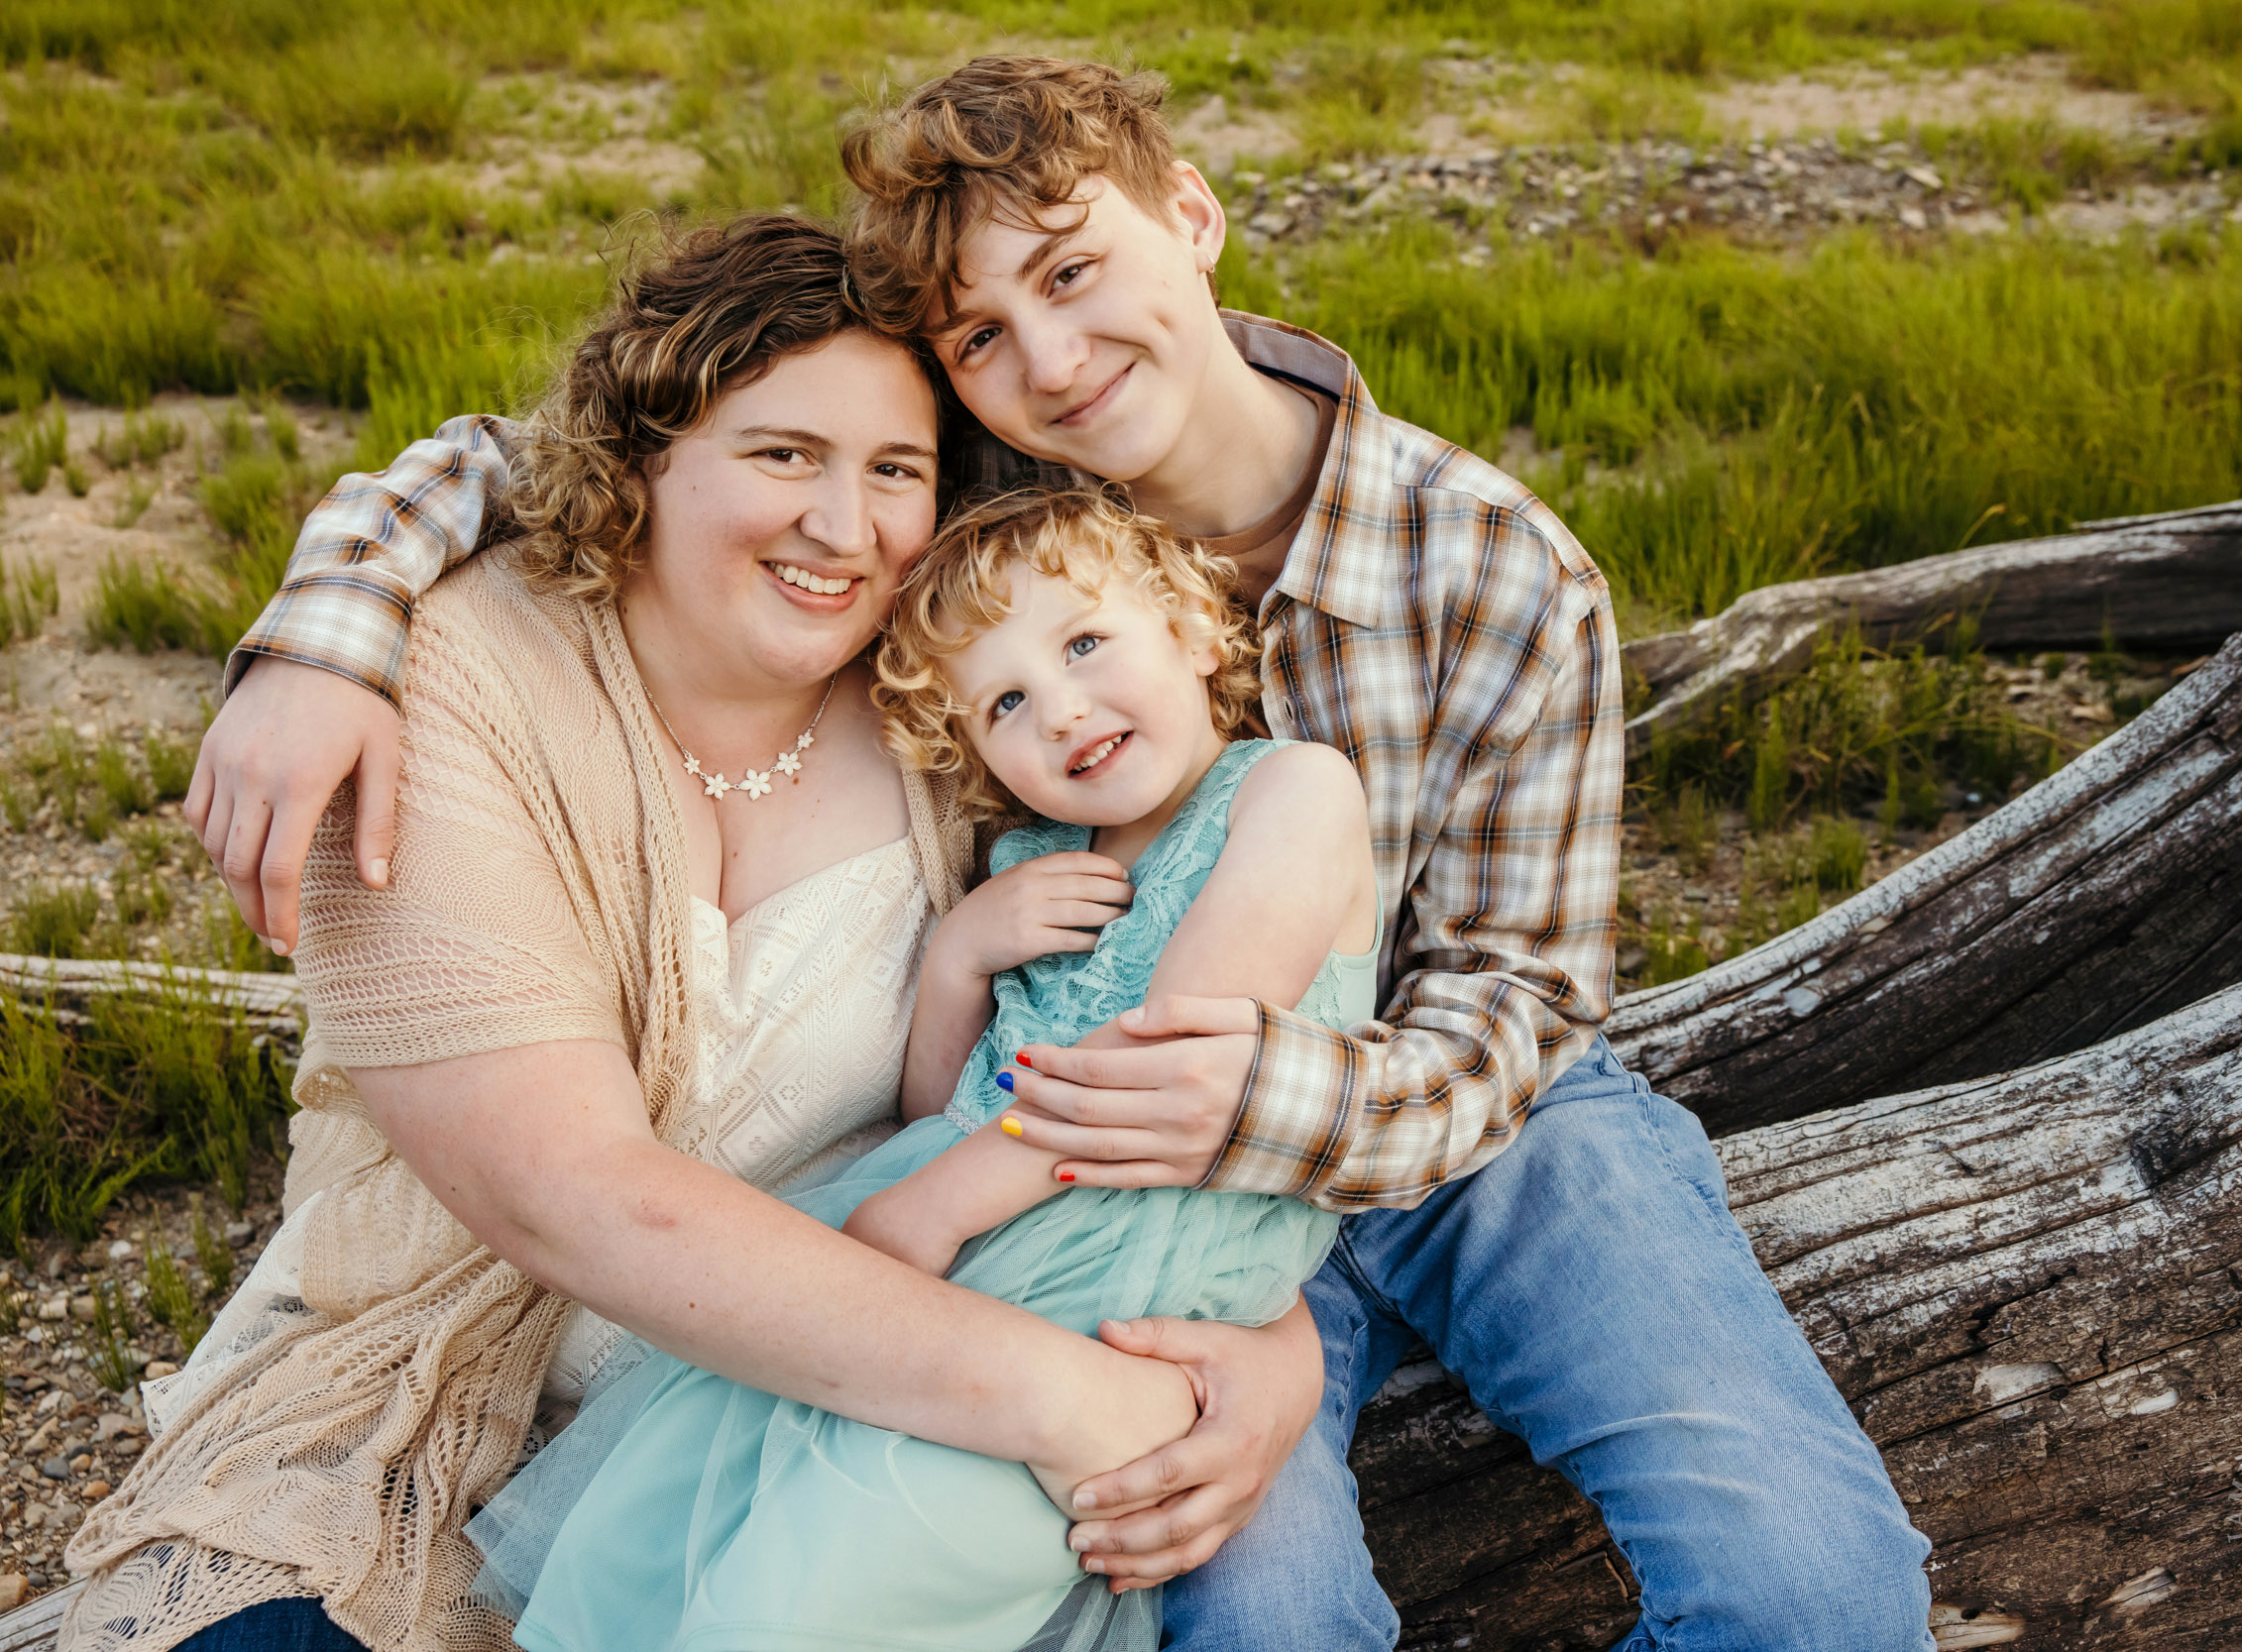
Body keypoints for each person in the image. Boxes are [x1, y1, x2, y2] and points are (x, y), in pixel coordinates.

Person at [186, 58, 1935, 1650]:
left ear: (1193, 219)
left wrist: (1251, 1106)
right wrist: (325, 634)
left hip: (1443, 1114)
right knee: (1256, 1619)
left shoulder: (1492, 563)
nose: (1051, 359)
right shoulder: (979, 467)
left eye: (1078, 272)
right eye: (982, 335)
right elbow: (548, 456)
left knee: (1807, 1586)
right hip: (1105, 1159)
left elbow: (1517, 997)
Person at [66, 216, 1324, 1652]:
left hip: (841, 1407)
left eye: (895, 471)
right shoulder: (451, 679)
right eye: (783, 454)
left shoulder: (963, 708)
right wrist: (1067, 1396)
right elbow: (571, 1191)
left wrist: (1269, 1346)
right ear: (642, 455)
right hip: (408, 1425)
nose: (844, 528)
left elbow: (1134, 1029)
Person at [465, 489, 1379, 1652]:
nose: (1063, 710)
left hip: (1117, 1267)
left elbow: (1168, 1055)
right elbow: (942, 1107)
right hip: (961, 1237)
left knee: (824, 1593)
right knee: (680, 1536)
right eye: (1006, 701)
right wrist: (959, 958)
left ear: (1195, 629)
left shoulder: (1292, 791)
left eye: (1085, 642)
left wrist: (931, 1208)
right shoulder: (1036, 860)